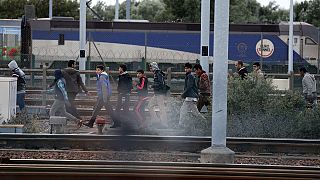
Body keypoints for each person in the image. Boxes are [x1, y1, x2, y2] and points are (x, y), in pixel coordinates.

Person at [148, 62, 168, 127]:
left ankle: (164, 123)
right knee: (150, 105)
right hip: (156, 94)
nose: (150, 68)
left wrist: (153, 86)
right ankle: (155, 120)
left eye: (151, 67)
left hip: (159, 94)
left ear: (154, 67)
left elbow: (161, 83)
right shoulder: (156, 74)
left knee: (161, 108)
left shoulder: (158, 74)